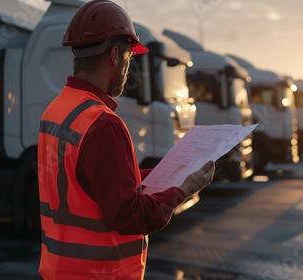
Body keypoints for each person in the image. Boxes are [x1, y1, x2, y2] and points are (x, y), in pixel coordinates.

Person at [37, 1, 215, 279]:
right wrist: (185, 188)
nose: (128, 68)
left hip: (61, 270)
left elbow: (96, 183)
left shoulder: (58, 109)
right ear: (115, 55)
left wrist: (167, 173)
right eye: (130, 59)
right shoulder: (103, 125)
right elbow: (130, 216)